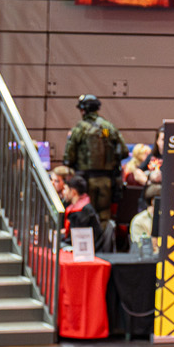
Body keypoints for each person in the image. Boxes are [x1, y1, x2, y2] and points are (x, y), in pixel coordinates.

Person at [63, 94, 125, 222]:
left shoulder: (79, 129)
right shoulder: (108, 128)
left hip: (86, 180)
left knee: (86, 215)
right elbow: (123, 151)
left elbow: (69, 157)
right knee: (104, 215)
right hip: (107, 181)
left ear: (83, 110)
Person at [62, 176, 101, 245]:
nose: (64, 192)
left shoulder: (80, 212)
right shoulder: (84, 206)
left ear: (73, 192)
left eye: (65, 189)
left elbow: (74, 239)